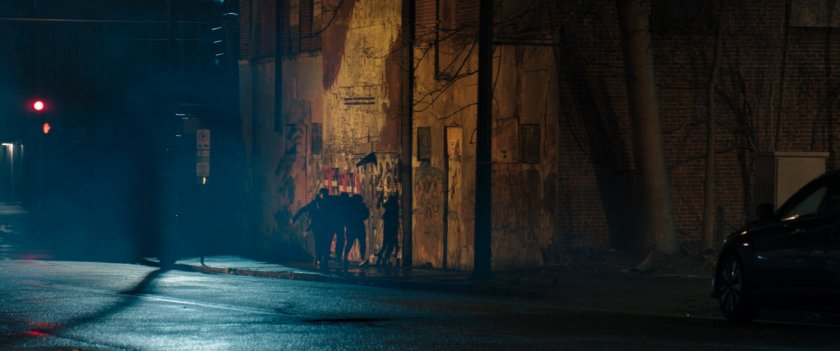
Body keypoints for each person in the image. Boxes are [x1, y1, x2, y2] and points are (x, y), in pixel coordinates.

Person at [291, 188, 332, 271]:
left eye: (325, 194)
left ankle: (321, 259)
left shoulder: (325, 203)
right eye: (323, 194)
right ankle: (319, 259)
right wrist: (294, 218)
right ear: (320, 194)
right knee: (319, 243)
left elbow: (303, 210)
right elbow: (303, 210)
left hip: (323, 227)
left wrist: (294, 219)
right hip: (318, 227)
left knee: (323, 243)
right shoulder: (315, 203)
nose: (324, 196)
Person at [342, 194, 369, 270]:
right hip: (359, 226)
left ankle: (345, 259)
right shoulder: (361, 205)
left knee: (349, 243)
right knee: (362, 243)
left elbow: (345, 216)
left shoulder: (349, 206)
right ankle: (362, 259)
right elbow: (366, 215)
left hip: (351, 227)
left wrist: (346, 224)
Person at [376, 193, 399, 267]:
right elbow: (395, 220)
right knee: (391, 246)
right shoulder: (394, 208)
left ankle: (381, 258)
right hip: (392, 229)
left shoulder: (388, 208)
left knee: (385, 245)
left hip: (387, 229)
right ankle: (384, 259)